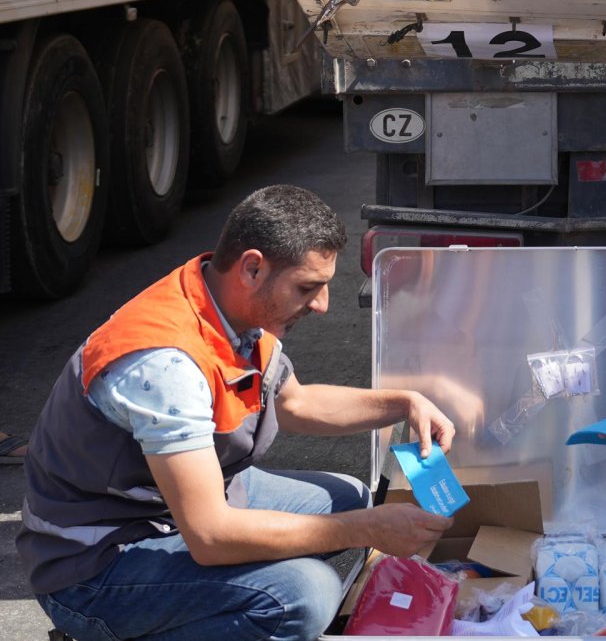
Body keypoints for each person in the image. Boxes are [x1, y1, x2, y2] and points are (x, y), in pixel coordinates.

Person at [18, 185, 457, 641]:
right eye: (308, 287)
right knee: (302, 594)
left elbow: (296, 403)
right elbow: (210, 536)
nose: (323, 305)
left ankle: (218, 603)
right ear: (252, 267)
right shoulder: (166, 363)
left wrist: (404, 402)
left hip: (163, 509)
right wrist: (361, 531)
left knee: (347, 497)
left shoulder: (224, 306)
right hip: (95, 567)